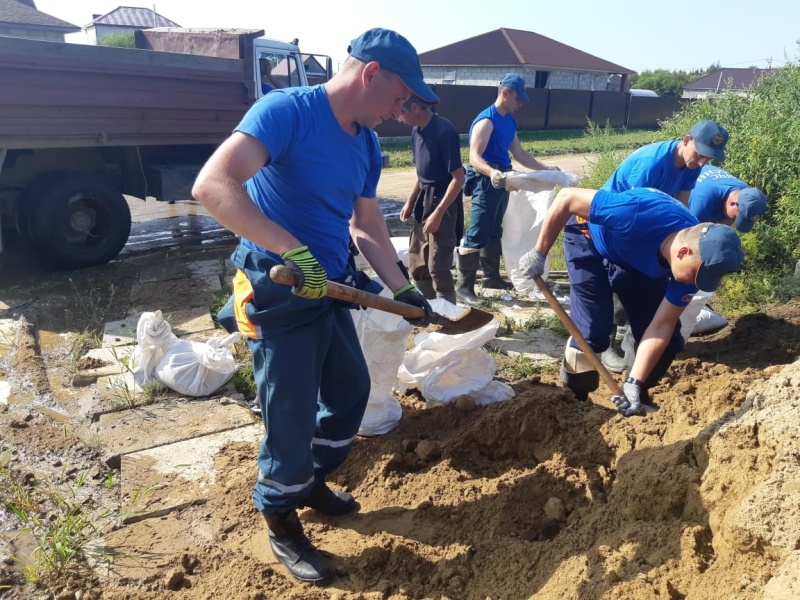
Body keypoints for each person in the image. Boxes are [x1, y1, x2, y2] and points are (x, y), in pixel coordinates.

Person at [192, 28, 437, 586]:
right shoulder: (287, 112)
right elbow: (212, 185)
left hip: (328, 286)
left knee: (349, 394)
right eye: (400, 96)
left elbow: (367, 224)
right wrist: (289, 248)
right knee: (290, 413)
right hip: (278, 286)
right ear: (370, 74)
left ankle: (307, 481)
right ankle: (280, 516)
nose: (404, 109)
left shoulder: (367, 143)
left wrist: (401, 289)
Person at [519, 186, 744, 416]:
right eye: (696, 275)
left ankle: (635, 394)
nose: (694, 283)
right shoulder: (635, 214)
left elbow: (662, 325)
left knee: (669, 341)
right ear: (683, 252)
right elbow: (567, 197)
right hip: (589, 237)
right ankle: (575, 399)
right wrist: (540, 253)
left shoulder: (694, 267)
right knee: (592, 334)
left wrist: (635, 382)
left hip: (632, 257)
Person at [599, 119, 730, 372]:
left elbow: (681, 208)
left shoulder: (691, 166)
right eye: (700, 154)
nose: (702, 162)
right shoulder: (653, 164)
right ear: (686, 139)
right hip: (616, 228)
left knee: (647, 290)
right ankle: (606, 344)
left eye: (709, 159)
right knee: (622, 282)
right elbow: (631, 211)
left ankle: (634, 354)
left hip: (649, 228)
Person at [457, 73, 559, 306]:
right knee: (477, 232)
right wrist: (491, 173)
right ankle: (464, 288)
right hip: (486, 180)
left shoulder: (509, 121)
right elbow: (474, 157)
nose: (520, 103)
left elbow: (519, 154)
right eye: (518, 98)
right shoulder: (487, 120)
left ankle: (491, 278)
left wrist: (546, 169)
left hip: (503, 178)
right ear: (505, 93)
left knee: (495, 230)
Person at [398, 94, 465, 304]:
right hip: (423, 200)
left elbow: (458, 178)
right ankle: (427, 313)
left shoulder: (445, 132)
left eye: (402, 111)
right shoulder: (416, 132)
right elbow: (422, 174)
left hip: (442, 202)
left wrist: (439, 213)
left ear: (415, 108)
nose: (398, 117)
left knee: (438, 265)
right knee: (418, 262)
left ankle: (447, 319)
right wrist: (410, 201)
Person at [689, 164, 768, 232]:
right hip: (683, 181)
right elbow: (687, 236)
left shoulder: (745, 191)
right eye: (734, 218)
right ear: (733, 203)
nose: (733, 222)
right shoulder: (702, 204)